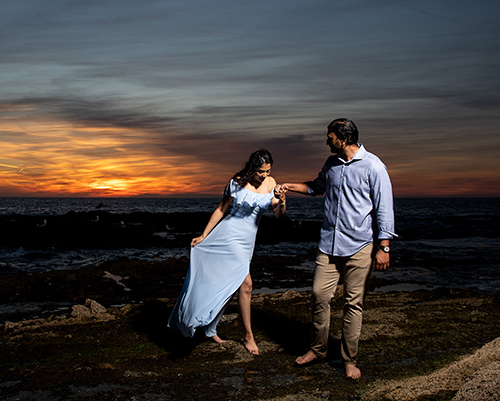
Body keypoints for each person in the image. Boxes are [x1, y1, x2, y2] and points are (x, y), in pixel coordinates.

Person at [281, 119, 395, 379]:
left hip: (360, 247)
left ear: (343, 139)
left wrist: (384, 246)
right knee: (319, 296)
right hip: (328, 245)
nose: (327, 141)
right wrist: (288, 186)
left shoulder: (374, 166)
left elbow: (384, 208)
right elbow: (316, 187)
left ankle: (349, 360)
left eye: (330, 137)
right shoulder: (331, 164)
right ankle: (318, 349)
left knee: (353, 303)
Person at [168, 149, 287, 355]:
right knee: (246, 284)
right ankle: (248, 336)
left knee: (230, 284)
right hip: (228, 236)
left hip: (247, 241)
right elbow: (222, 209)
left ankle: (210, 328)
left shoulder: (271, 183)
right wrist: (204, 235)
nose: (265, 175)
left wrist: (282, 200)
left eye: (268, 171)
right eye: (261, 171)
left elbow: (277, 213)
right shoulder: (237, 182)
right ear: (252, 168)